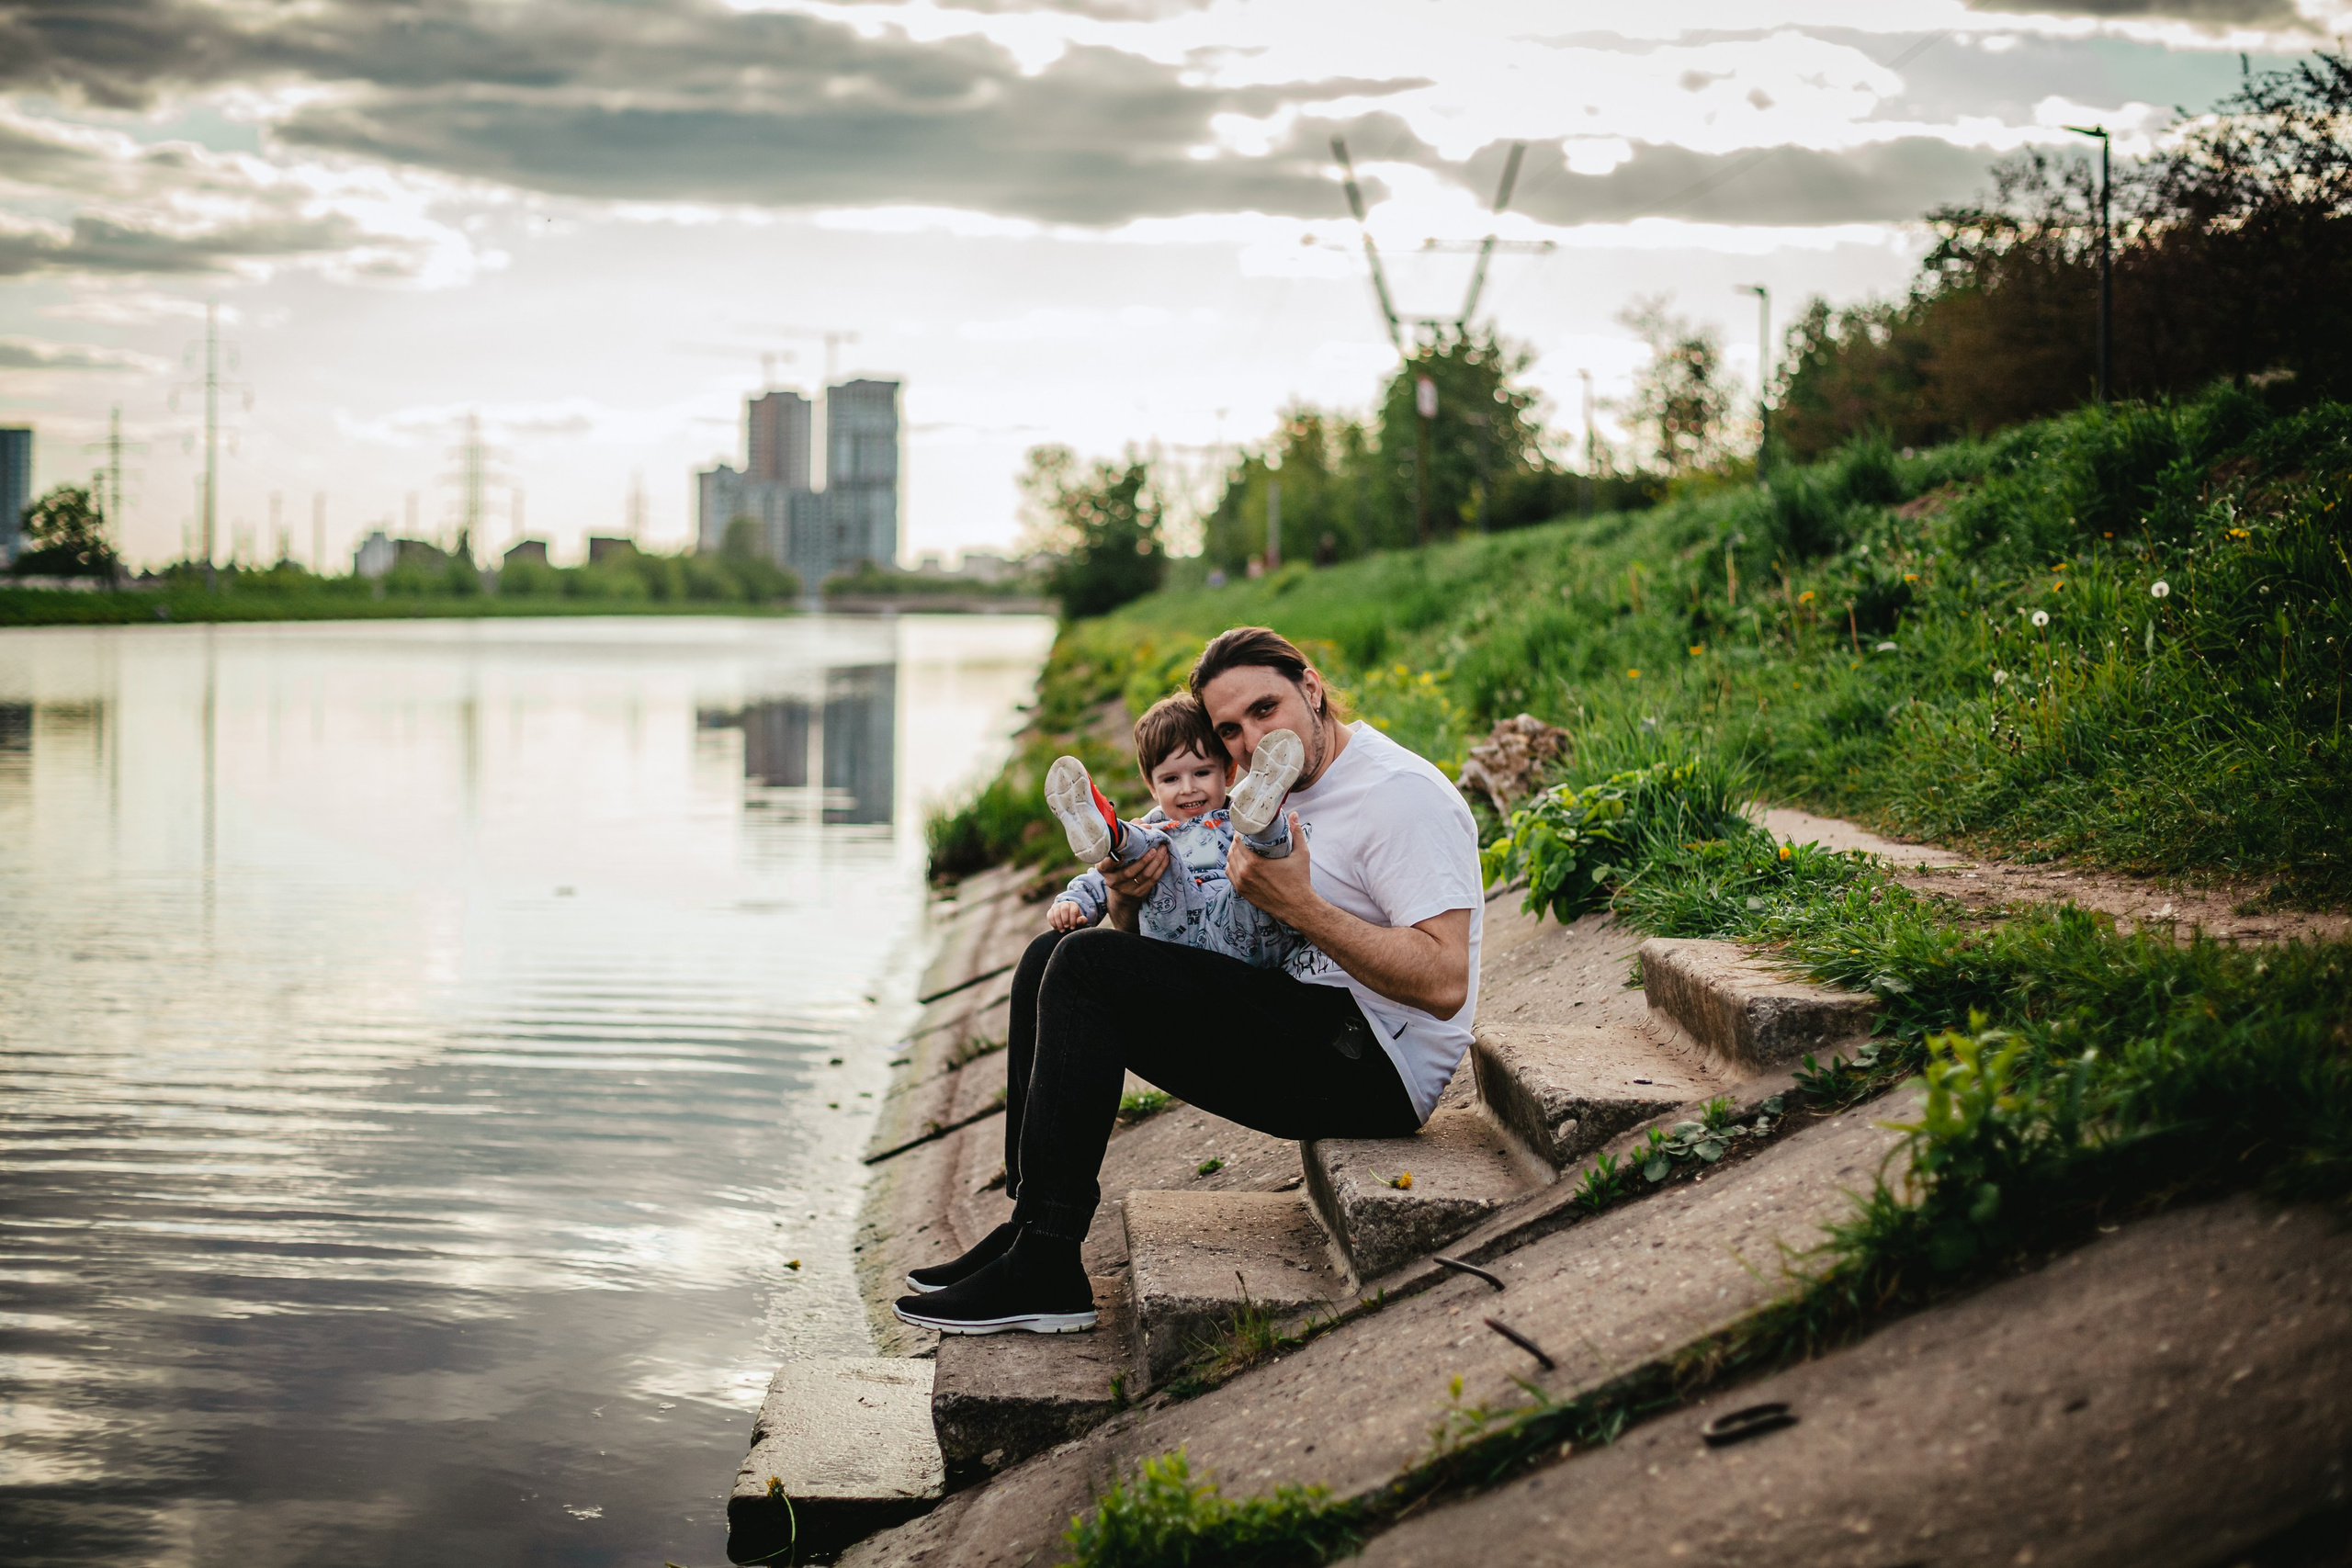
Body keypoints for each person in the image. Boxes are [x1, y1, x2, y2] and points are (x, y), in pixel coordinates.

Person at [894, 626, 1483, 1337]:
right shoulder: (1271, 788)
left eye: (1265, 710)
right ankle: (1031, 1227)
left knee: (1085, 969)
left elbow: (1446, 980)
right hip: (1295, 1004)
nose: (1248, 740)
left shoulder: (1400, 797)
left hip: (1372, 1063)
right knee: (1050, 957)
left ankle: (1048, 1259)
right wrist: (1126, 900)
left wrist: (1301, 906)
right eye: (1229, 729)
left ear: (1313, 687)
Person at [1042, 694, 1306, 972]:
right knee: (1147, 848)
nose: (1187, 788)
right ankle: (1111, 834)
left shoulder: (1233, 821)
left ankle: (1268, 811)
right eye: (1171, 779)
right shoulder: (1150, 831)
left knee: (1258, 852)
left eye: (1202, 773)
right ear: (1151, 785)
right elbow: (1101, 878)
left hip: (1247, 937)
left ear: (1228, 772)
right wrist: (1073, 903)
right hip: (1176, 948)